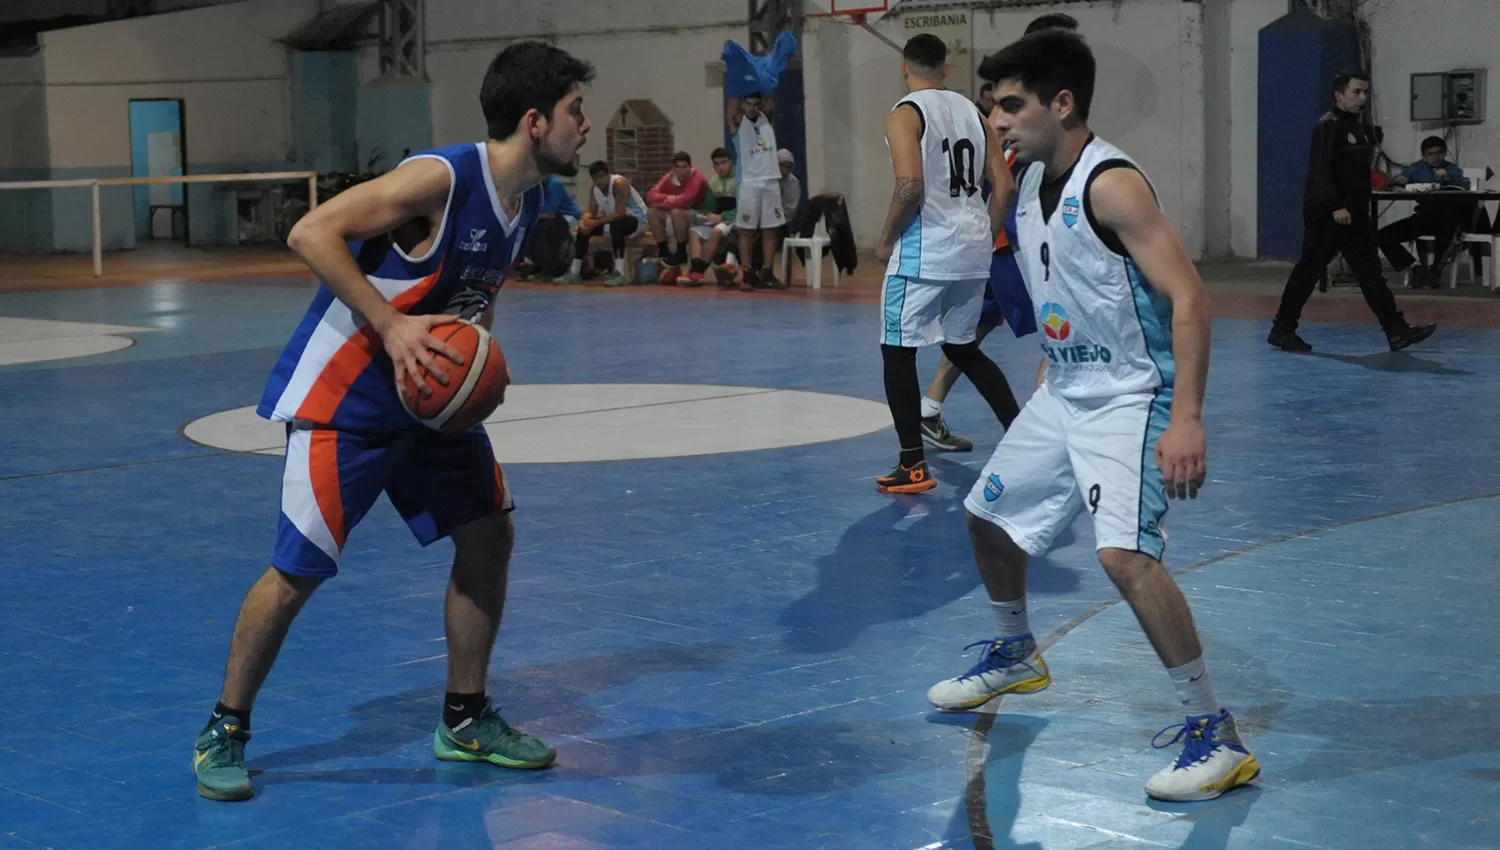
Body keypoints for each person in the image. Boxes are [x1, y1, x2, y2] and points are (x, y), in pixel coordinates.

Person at [191, 41, 594, 803]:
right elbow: (311, 232)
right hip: (346, 402)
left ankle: (465, 718)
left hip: (427, 406)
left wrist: (478, 355)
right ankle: (225, 726)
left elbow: (473, 294)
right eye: (577, 110)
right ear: (536, 120)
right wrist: (391, 324)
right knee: (296, 572)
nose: (587, 123)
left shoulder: (529, 199)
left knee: (489, 531)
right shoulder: (440, 178)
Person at [927, 30, 1261, 803]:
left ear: (1062, 103)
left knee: (1125, 558)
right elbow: (1069, 280)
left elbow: (1188, 297)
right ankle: (1016, 649)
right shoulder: (1028, 174)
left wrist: (1186, 418)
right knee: (984, 517)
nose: (998, 122)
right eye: (992, 107)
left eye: (1011, 106)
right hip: (1067, 387)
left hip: (1130, 395)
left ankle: (1217, 733)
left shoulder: (1110, 183)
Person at [921, 10, 1079, 452]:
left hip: (995, 236)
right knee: (1060, 332)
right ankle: (1041, 439)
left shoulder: (1011, 97)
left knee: (973, 330)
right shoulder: (1032, 102)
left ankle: (928, 411)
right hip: (1013, 239)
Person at [873, 33, 1021, 494]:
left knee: (896, 349)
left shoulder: (904, 113)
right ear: (946, 68)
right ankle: (1026, 443)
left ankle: (912, 464)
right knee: (962, 349)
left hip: (925, 250)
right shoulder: (975, 113)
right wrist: (981, 232)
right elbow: (1005, 185)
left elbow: (909, 187)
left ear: (905, 67)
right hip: (973, 247)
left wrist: (885, 239)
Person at [1268, 71, 1436, 353]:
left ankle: (1396, 331)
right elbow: (1321, 172)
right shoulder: (1328, 126)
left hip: (1355, 215)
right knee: (1309, 271)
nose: (1362, 98)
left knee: (1371, 274)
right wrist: (1336, 206)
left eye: (1365, 93)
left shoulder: (1359, 130)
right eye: (1356, 92)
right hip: (1328, 214)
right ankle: (1282, 329)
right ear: (1339, 94)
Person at [1378, 135, 1476, 288]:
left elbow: (1466, 186)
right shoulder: (1417, 170)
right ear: (1423, 156)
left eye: (1439, 153)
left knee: (1447, 237)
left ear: (1444, 153)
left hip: (1448, 218)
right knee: (1382, 235)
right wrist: (1399, 181)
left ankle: (1434, 272)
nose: (1435, 157)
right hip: (1424, 217)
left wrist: (1448, 178)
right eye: (1430, 154)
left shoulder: (1453, 169)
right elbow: (1398, 180)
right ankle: (1415, 266)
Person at [727, 91, 786, 290]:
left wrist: (761, 77)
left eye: (755, 104)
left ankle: (767, 273)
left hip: (770, 181)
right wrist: (738, 80)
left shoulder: (766, 118)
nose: (752, 107)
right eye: (748, 103)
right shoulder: (737, 122)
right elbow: (731, 107)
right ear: (743, 104)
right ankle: (747, 274)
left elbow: (770, 99)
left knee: (771, 228)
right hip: (749, 183)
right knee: (746, 230)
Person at [557, 161, 650, 286]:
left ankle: (619, 272)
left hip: (639, 222)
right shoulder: (595, 190)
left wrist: (594, 223)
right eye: (595, 178)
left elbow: (619, 213)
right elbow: (591, 212)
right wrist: (586, 220)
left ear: (608, 175)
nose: (599, 181)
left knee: (616, 224)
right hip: (614, 222)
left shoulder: (619, 184)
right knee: (584, 228)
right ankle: (575, 272)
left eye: (601, 176)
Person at [646, 151, 709, 272]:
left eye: (684, 167)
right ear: (674, 168)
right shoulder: (670, 176)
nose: (681, 171)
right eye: (678, 167)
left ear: (690, 167)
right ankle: (664, 250)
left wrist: (664, 201)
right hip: (679, 214)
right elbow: (651, 195)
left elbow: (686, 200)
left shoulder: (697, 178)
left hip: (701, 215)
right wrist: (669, 200)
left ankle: (681, 252)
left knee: (676, 212)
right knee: (652, 212)